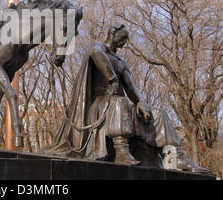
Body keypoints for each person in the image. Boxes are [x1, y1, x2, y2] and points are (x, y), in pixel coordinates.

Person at [45, 24, 209, 173]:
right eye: (122, 38)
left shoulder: (121, 62)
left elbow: (130, 87)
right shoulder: (98, 48)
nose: (124, 42)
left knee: (159, 113)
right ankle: (121, 151)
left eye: (126, 39)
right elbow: (96, 53)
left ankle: (177, 156)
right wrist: (112, 79)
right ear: (112, 34)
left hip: (115, 104)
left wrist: (140, 102)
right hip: (96, 104)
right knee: (120, 102)